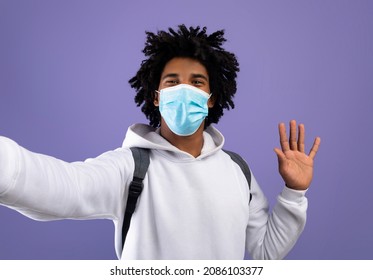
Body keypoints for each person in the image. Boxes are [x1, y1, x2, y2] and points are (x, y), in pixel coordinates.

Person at [0, 25, 320, 260]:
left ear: (210, 99)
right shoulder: (132, 166)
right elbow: (65, 187)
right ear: (157, 97)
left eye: (196, 82)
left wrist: (294, 193)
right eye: (172, 82)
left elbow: (265, 252)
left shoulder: (237, 170)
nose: (184, 90)